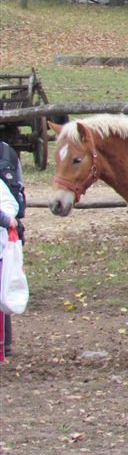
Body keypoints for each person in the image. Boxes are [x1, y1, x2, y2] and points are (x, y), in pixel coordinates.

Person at [0, 141, 25, 361]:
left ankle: (4, 344)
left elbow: (17, 200)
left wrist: (7, 220)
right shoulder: (7, 152)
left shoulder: (7, 153)